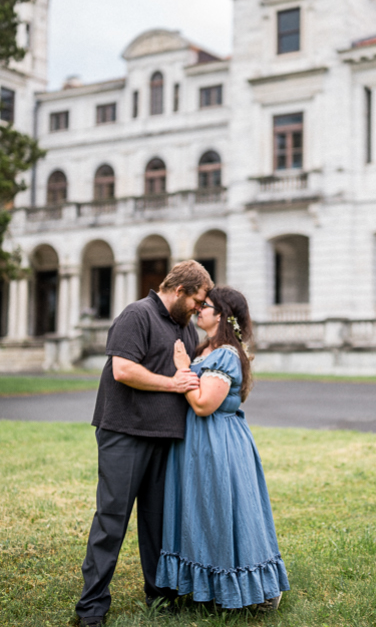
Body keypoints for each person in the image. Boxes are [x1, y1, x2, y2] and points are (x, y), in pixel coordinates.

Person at [76, 260, 213, 627]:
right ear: (181, 290)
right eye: (198, 300)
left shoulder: (186, 331)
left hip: (166, 438)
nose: (200, 309)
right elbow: (123, 370)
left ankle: (160, 596)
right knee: (112, 521)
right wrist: (173, 384)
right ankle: (91, 608)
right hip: (125, 432)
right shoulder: (137, 314)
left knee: (158, 524)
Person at [154, 286, 290, 611]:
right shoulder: (203, 350)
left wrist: (182, 369)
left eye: (206, 305)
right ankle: (209, 588)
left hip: (218, 443)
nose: (199, 309)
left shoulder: (226, 353)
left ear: (223, 315)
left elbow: (203, 405)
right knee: (199, 512)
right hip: (197, 444)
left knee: (220, 511)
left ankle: (247, 590)